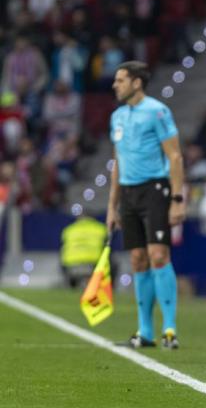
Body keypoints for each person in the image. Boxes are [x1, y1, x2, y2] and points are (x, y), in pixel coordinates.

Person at [106, 61, 185, 349]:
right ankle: (145, 331)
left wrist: (177, 200)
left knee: (158, 255)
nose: (115, 85)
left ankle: (170, 328)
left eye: (120, 80)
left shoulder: (157, 111)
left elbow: (175, 156)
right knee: (138, 259)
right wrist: (111, 207)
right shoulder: (116, 117)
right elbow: (117, 164)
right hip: (128, 193)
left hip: (155, 189)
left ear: (136, 82)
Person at [60, 215, 108, 288]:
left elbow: (63, 245)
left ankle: (70, 286)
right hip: (93, 263)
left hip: (71, 263)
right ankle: (107, 287)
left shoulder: (69, 229)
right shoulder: (100, 228)